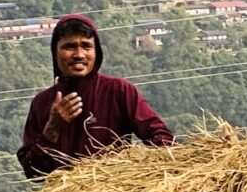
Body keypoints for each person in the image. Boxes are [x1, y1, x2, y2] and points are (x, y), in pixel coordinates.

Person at [19, 14, 174, 178]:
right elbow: (33, 172)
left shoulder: (118, 90)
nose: (79, 54)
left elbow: (161, 137)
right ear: (55, 53)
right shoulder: (42, 103)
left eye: (86, 46)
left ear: (96, 53)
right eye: (69, 47)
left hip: (114, 190)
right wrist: (52, 128)